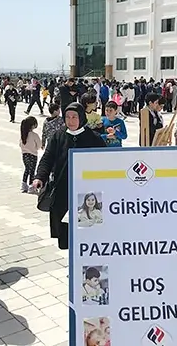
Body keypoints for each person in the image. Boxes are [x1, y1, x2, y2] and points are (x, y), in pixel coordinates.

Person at [33, 103, 106, 250]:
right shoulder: (59, 135)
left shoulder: (94, 138)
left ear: (82, 118)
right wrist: (39, 177)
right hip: (63, 190)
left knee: (87, 230)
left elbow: (105, 162)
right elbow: (47, 158)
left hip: (87, 193)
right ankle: (70, 261)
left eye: (74, 117)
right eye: (67, 117)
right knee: (65, 232)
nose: (70, 121)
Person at [19, 116, 41, 193]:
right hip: (33, 155)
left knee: (27, 169)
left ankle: (24, 185)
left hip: (24, 155)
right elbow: (39, 145)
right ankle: (31, 186)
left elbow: (20, 145)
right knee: (32, 171)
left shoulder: (23, 135)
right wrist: (35, 148)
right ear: (32, 125)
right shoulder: (34, 135)